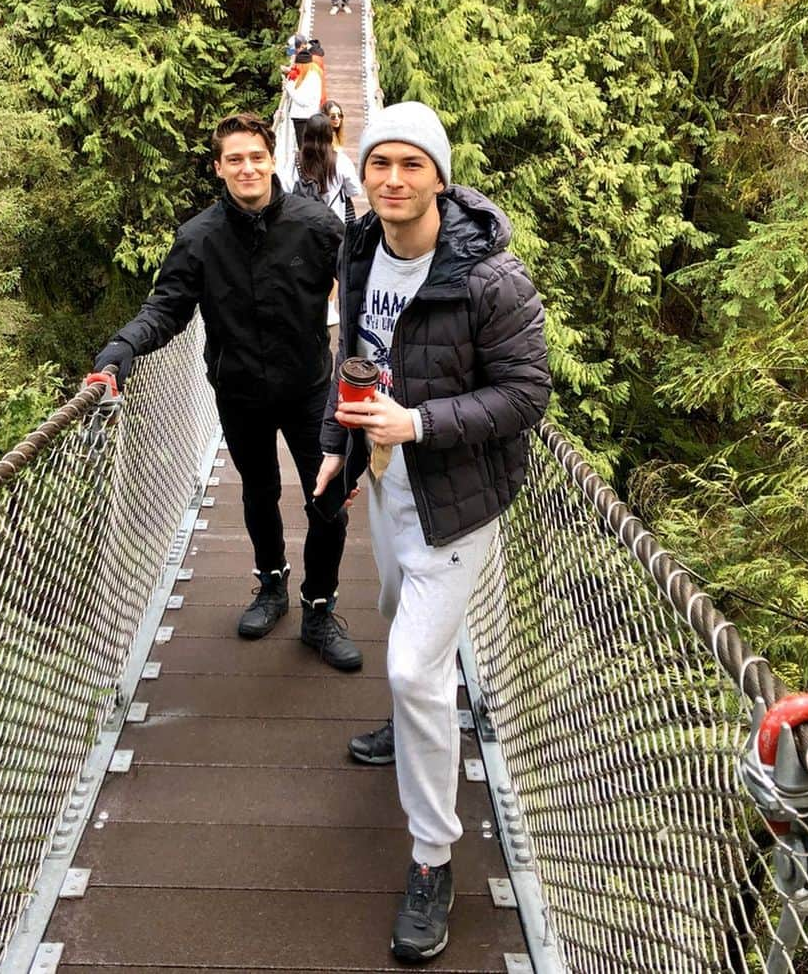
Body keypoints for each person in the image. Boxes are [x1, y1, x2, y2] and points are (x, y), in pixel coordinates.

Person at [314, 102, 550, 963]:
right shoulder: (359, 245)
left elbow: (526, 398)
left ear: (440, 179)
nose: (392, 180)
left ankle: (431, 858)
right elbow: (357, 360)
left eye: (412, 165)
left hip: (457, 500)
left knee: (414, 664)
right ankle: (411, 723)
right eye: (380, 164)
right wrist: (342, 445)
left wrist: (416, 425)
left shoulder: (492, 280)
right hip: (383, 486)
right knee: (387, 610)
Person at [93, 112, 362, 671]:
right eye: (234, 159)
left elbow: (367, 283)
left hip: (311, 386)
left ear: (272, 159)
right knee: (258, 493)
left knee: (327, 499)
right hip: (239, 391)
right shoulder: (199, 239)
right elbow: (166, 309)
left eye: (256, 156)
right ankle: (271, 587)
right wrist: (122, 349)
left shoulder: (317, 225)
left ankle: (318, 608)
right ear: (218, 168)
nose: (247, 167)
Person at [292, 112, 362, 225]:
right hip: (334, 222)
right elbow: (355, 190)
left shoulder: (294, 161)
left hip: (303, 222)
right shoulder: (341, 160)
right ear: (330, 134)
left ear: (306, 134)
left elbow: (285, 188)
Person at [284, 47, 325, 146]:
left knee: (304, 147)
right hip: (303, 117)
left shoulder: (311, 78)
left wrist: (288, 87)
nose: (296, 66)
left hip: (305, 118)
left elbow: (303, 101)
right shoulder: (309, 76)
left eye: (298, 64)